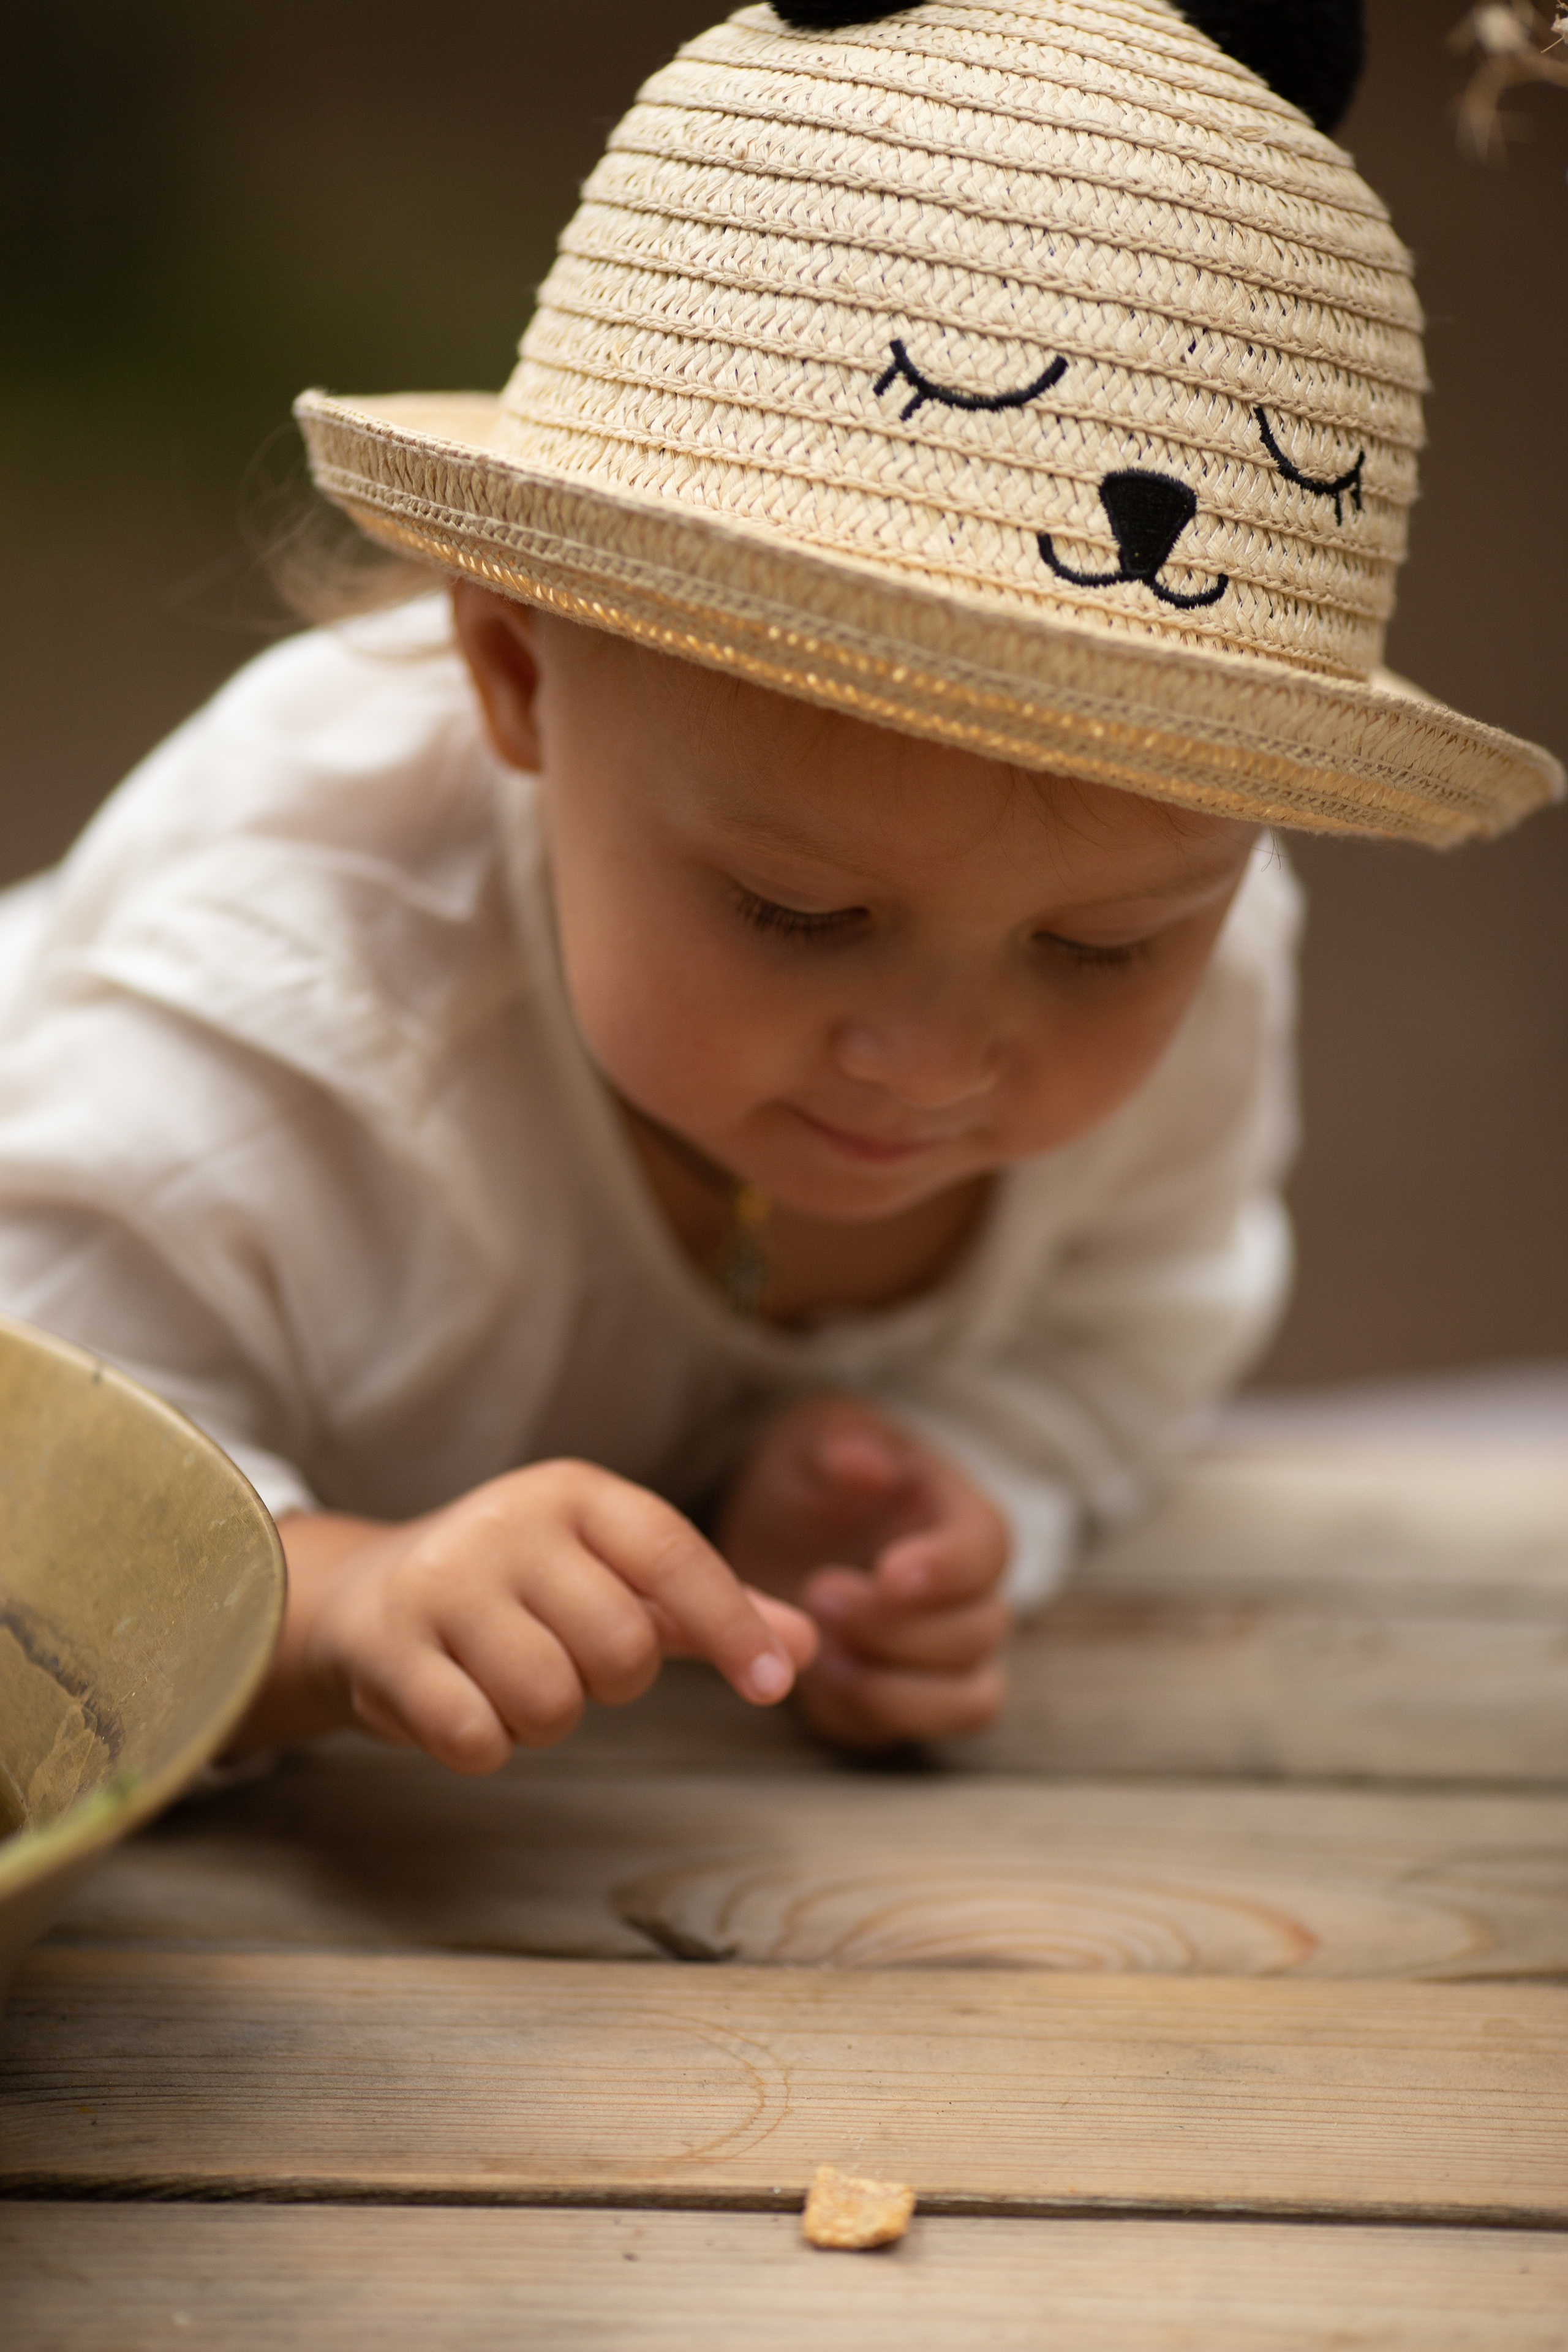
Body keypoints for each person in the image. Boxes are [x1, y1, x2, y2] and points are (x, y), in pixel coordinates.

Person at [0, 0, 1556, 1768]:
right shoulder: (267, 993)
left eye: (1102, 948)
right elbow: (37, 1479)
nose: (931, 1056)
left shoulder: (1208, 923)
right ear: (517, 676)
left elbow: (1143, 1312)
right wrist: (334, 1589)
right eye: (799, 914)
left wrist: (960, 1477)